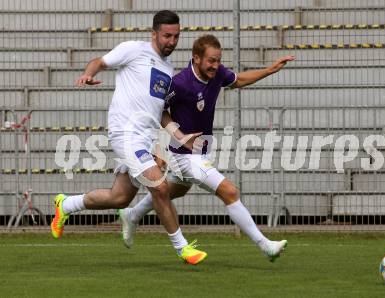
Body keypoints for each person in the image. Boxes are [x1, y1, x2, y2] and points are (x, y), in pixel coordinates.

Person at [118, 34, 295, 261]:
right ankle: (265, 245)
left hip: (199, 150)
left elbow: (237, 80)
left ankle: (132, 215)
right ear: (196, 58)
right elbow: (159, 111)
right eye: (211, 60)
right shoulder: (180, 83)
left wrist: (269, 70)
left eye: (218, 60)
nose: (216, 65)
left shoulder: (217, 73)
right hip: (185, 155)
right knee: (229, 191)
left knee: (177, 190)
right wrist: (165, 146)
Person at [50, 10, 207, 265]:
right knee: (160, 186)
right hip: (125, 133)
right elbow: (99, 61)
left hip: (144, 138)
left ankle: (66, 205)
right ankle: (182, 248)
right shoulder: (134, 49)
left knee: (120, 197)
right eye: (167, 35)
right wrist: (89, 74)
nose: (172, 41)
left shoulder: (167, 69)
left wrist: (180, 138)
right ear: (154, 33)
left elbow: (160, 113)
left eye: (176, 36)